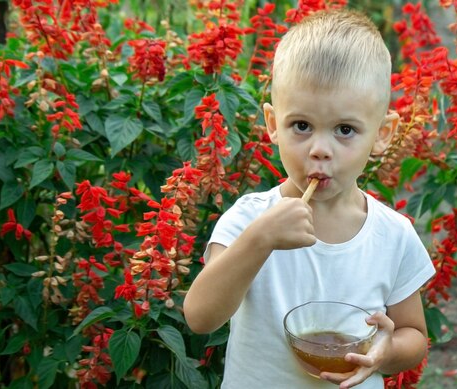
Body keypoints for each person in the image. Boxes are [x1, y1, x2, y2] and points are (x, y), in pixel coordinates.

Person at [183, 9, 436, 389]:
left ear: (383, 135)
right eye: (301, 126)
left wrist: (387, 350)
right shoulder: (249, 219)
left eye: (345, 130)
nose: (320, 149)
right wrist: (260, 239)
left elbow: (413, 335)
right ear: (272, 125)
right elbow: (200, 317)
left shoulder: (393, 235)